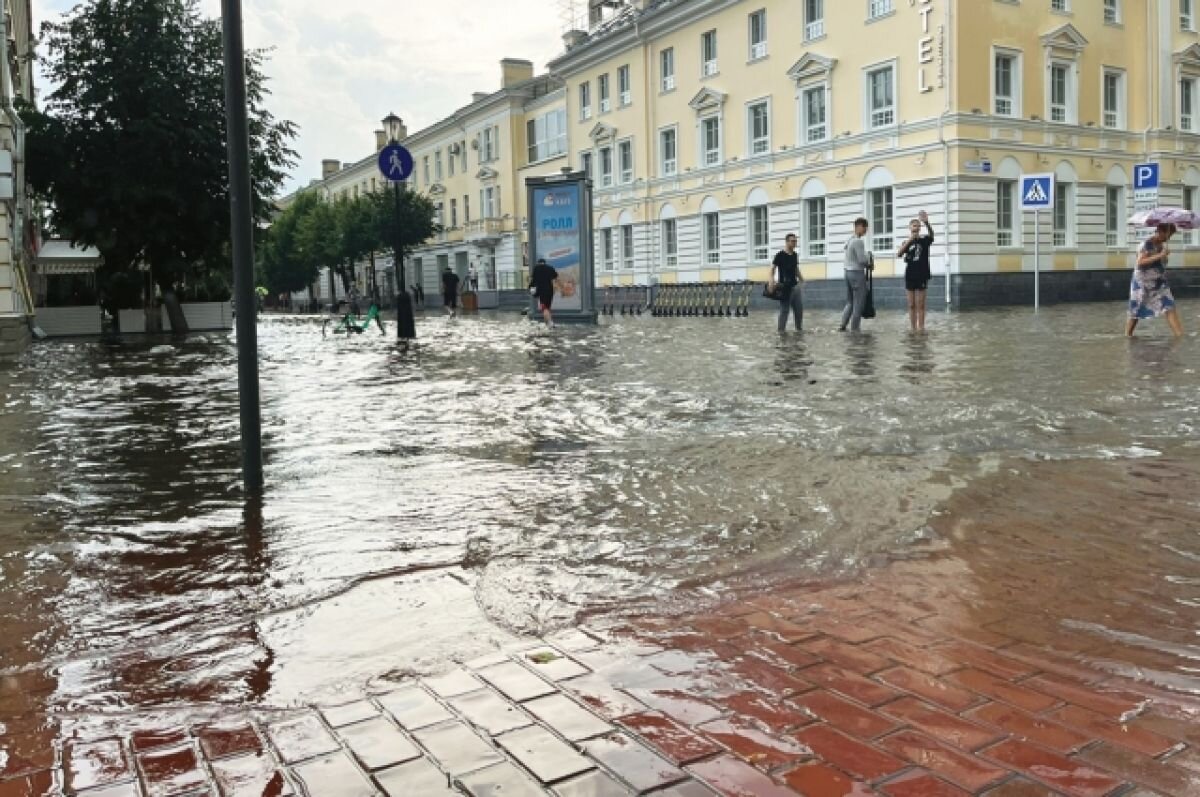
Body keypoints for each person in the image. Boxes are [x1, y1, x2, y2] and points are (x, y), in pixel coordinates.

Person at [1127, 222, 1184, 337]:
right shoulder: (1146, 244)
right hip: (1142, 282)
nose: (1168, 238)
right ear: (1160, 231)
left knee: (1169, 305)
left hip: (1159, 282)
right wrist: (1160, 255)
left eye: (1170, 235)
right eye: (1168, 235)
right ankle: (1128, 335)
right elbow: (1140, 262)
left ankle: (1179, 335)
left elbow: (1161, 263)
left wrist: (1164, 257)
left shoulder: (1161, 245)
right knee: (1136, 309)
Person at [897, 210, 934, 332]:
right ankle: (913, 329)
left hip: (922, 274)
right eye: (914, 225)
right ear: (910, 227)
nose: (916, 228)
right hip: (910, 275)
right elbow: (899, 254)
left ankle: (921, 328)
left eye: (918, 226)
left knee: (921, 304)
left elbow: (932, 236)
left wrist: (927, 223)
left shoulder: (924, 240)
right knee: (911, 304)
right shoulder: (906, 243)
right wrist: (910, 240)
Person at [840, 218, 872, 332]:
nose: (866, 230)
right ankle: (855, 329)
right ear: (858, 226)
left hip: (847, 272)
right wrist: (869, 263)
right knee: (859, 303)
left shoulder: (849, 240)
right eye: (865, 228)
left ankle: (842, 325)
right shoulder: (858, 241)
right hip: (856, 273)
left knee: (850, 301)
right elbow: (862, 260)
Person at [768, 233, 803, 331]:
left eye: (795, 241)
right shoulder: (780, 255)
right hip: (784, 288)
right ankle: (781, 333)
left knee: (799, 311)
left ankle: (799, 331)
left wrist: (802, 280)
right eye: (792, 241)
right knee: (784, 311)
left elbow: (796, 269)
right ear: (787, 242)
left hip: (795, 287)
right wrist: (771, 281)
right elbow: (772, 269)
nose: (795, 243)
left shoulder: (795, 255)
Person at [529, 257, 559, 328]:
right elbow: (555, 276)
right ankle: (550, 323)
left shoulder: (536, 268)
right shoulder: (550, 268)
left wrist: (531, 288)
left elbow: (533, 280)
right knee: (547, 308)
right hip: (550, 291)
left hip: (542, 291)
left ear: (538, 263)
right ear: (545, 262)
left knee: (544, 308)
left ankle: (549, 324)